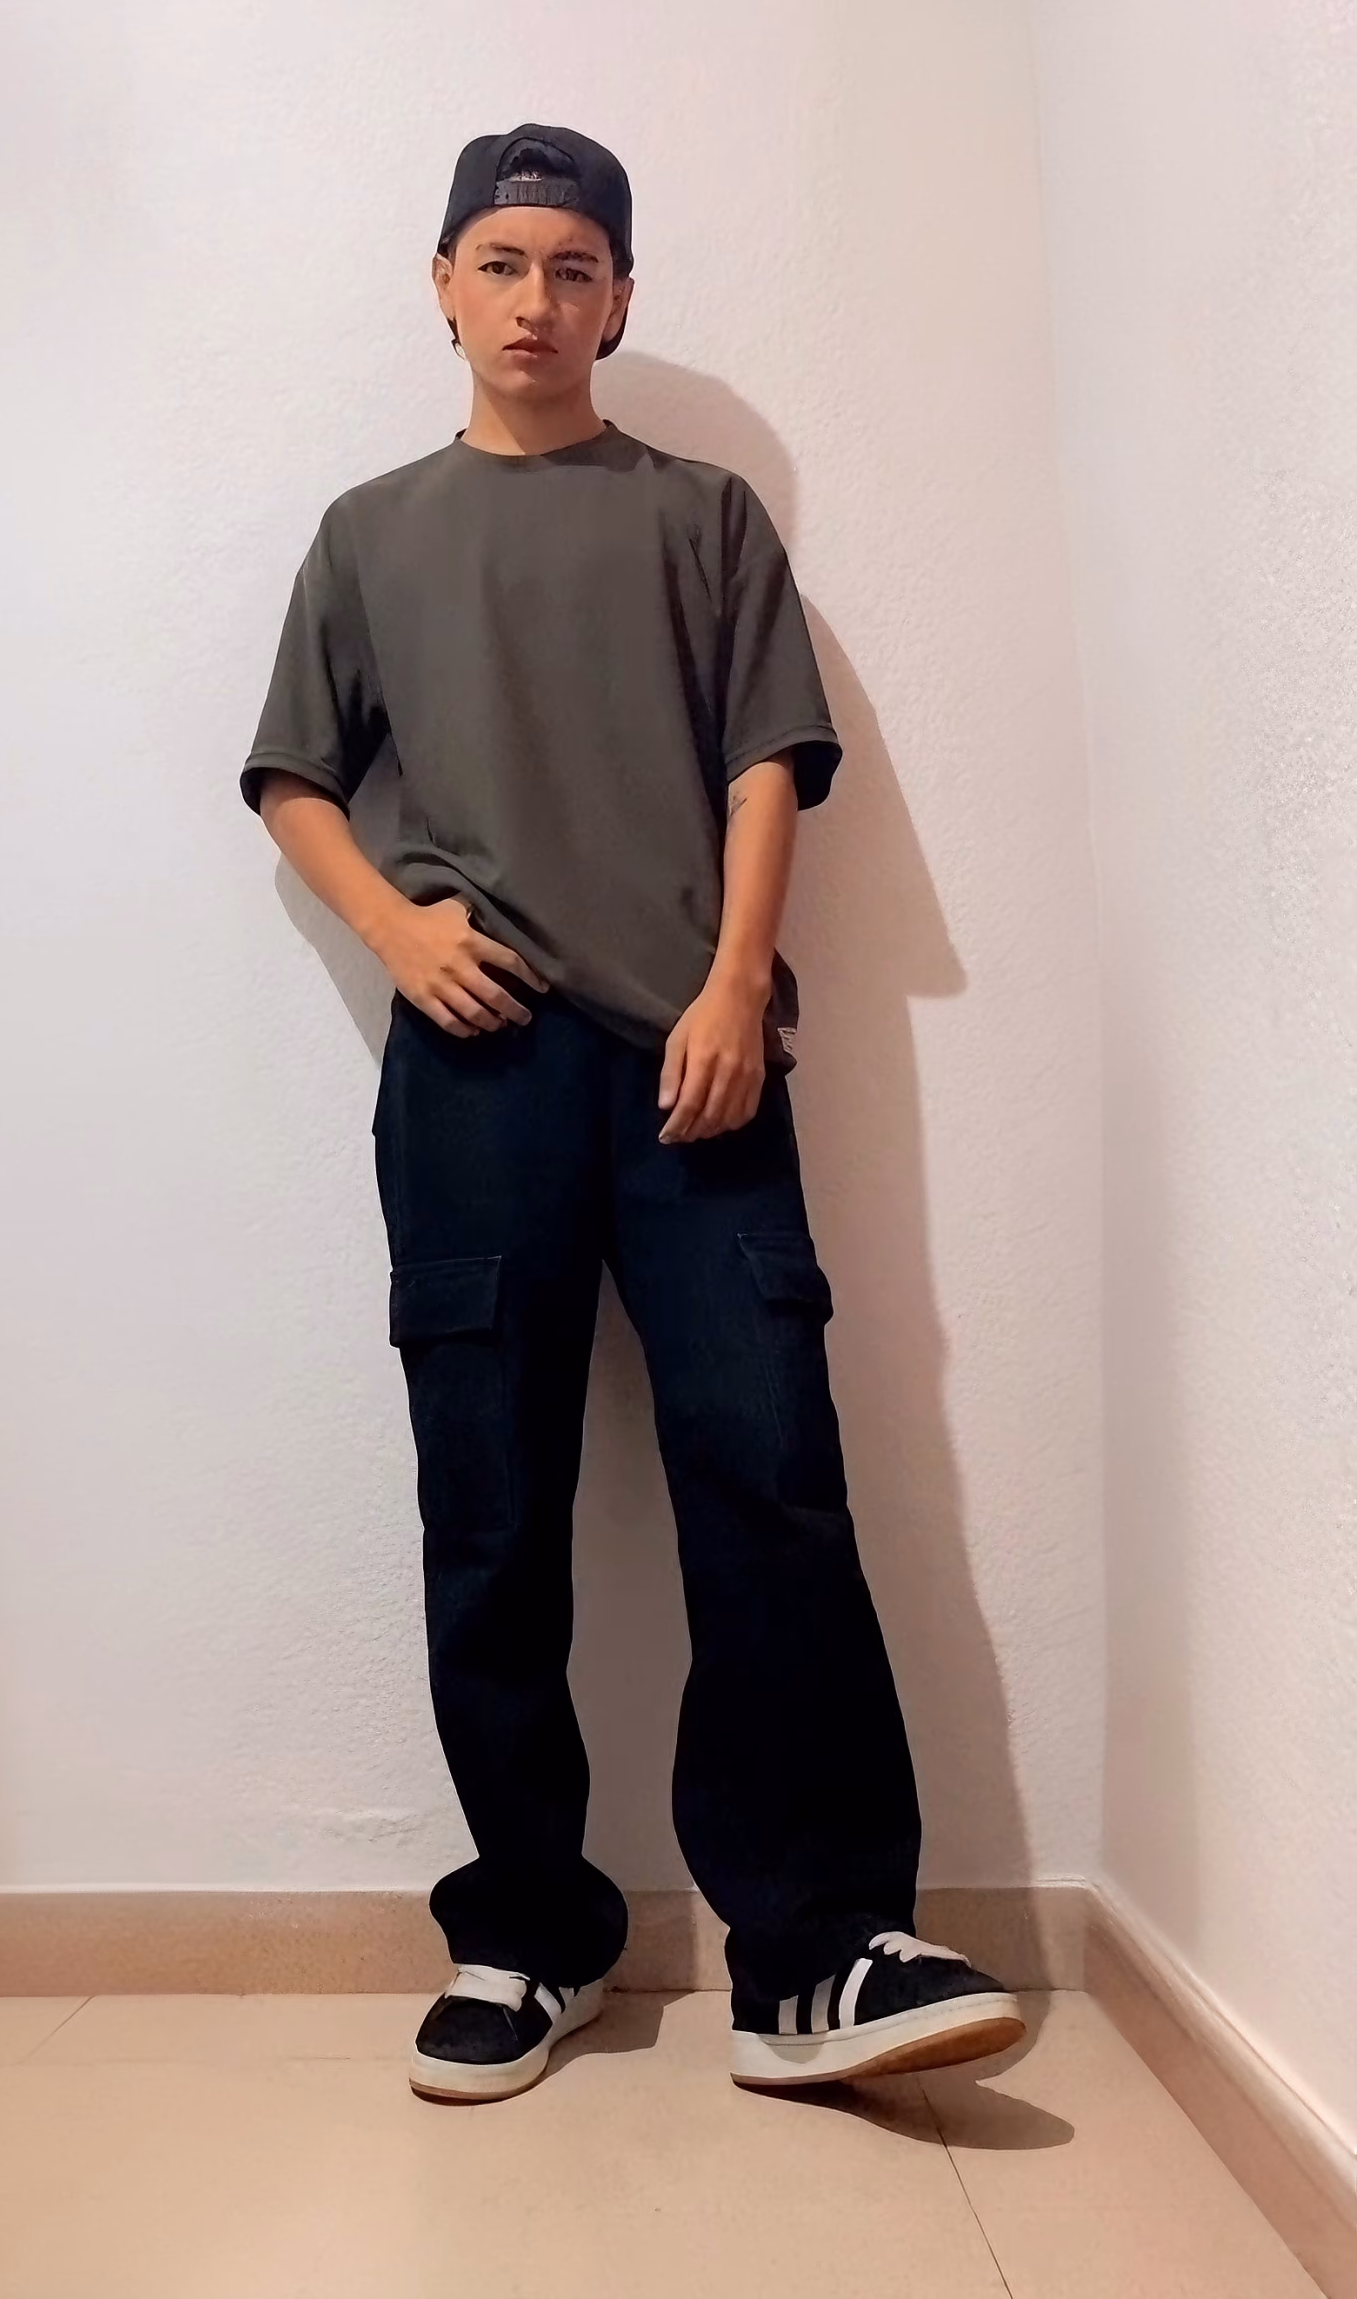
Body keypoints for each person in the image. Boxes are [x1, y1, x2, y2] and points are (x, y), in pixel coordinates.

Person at [240, 121, 1023, 2104]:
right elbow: (294, 777)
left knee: (771, 1474)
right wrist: (395, 928)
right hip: (477, 1069)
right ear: (444, 285)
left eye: (574, 267)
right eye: (501, 262)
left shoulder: (703, 516)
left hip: (699, 1068)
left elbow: (766, 759)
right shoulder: (370, 533)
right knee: (491, 1500)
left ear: (619, 297)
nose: (536, 299)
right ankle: (528, 1930)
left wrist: (741, 983)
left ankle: (816, 1949)